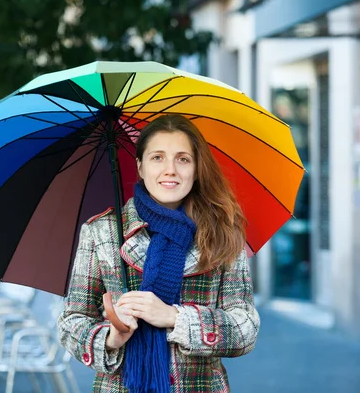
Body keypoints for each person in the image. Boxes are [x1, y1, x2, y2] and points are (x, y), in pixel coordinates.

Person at [57, 114, 260, 392]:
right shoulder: (102, 232)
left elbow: (245, 328)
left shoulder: (223, 232)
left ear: (197, 168)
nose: (170, 170)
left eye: (183, 159)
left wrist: (175, 317)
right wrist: (111, 337)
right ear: (140, 166)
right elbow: (71, 322)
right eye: (157, 158)